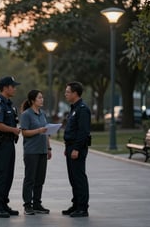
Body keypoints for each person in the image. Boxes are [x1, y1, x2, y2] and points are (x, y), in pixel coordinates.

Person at [0, 76, 21, 218]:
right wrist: (13, 130)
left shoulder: (9, 104)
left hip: (9, 143)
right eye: (13, 86)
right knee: (1, 174)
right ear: (6, 87)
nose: (14, 88)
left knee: (9, 175)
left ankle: (4, 203)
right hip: (1, 143)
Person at [20, 90, 52, 215]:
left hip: (42, 150)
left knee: (40, 179)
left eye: (42, 97)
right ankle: (28, 205)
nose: (42, 99)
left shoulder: (42, 114)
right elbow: (24, 132)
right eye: (39, 98)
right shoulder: (26, 115)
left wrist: (49, 148)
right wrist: (38, 130)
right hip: (31, 151)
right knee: (30, 179)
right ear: (33, 100)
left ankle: (37, 204)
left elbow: (46, 133)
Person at [62, 81, 91, 218]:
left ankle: (82, 208)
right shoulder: (74, 108)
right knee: (73, 178)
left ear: (75, 93)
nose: (65, 94)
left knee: (79, 178)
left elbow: (83, 131)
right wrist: (67, 147)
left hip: (77, 148)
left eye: (68, 92)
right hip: (70, 147)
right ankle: (76, 204)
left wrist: (76, 148)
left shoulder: (82, 109)